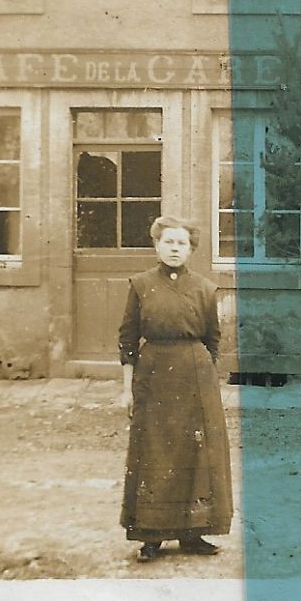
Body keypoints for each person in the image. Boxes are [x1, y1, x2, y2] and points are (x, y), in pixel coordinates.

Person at [119, 215, 234, 562]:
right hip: (152, 376)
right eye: (168, 242)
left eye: (181, 243)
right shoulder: (140, 285)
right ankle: (151, 536)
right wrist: (127, 389)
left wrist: (203, 376)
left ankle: (194, 534)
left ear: (190, 249)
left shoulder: (204, 288)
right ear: (156, 245)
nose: (174, 249)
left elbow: (213, 340)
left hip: (196, 377)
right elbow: (127, 339)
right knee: (154, 452)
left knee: (197, 453)